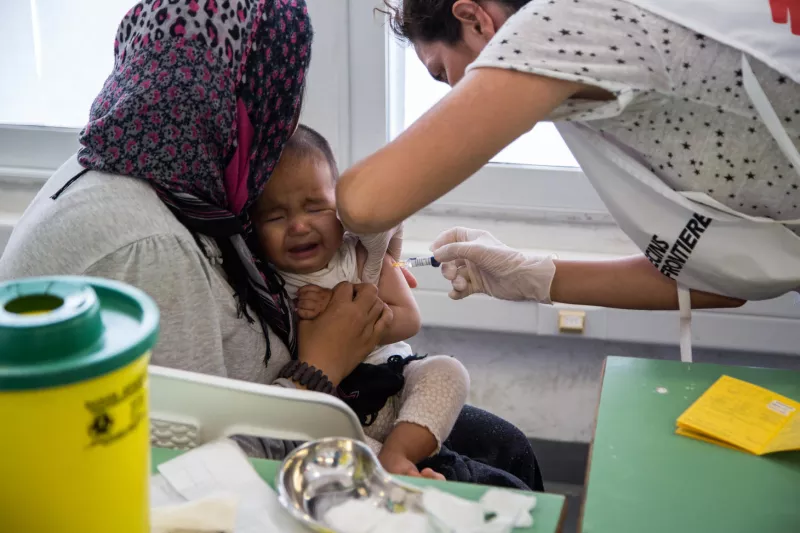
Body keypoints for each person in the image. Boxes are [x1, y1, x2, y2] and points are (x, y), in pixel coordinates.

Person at [0, 0, 543, 491]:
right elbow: (199, 471)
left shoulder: (174, 169)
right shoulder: (147, 245)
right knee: (503, 488)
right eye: (283, 93)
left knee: (507, 447)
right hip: (276, 431)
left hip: (310, 398)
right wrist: (321, 366)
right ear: (246, 95)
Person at [337, 0, 800, 311]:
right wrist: (532, 277)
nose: (460, 93)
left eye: (444, 73)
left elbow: (365, 202)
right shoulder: (596, 80)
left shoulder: (561, 22)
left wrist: (380, 223)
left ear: (476, 20)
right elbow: (727, 276)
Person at [253, 124, 470, 480]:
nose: (298, 226)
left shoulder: (360, 258)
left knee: (447, 370)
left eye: (315, 208)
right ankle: (389, 470)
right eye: (275, 216)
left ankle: (399, 455)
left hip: (392, 380)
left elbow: (409, 320)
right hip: (333, 405)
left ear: (340, 209)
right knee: (332, 447)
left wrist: (342, 310)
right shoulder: (266, 279)